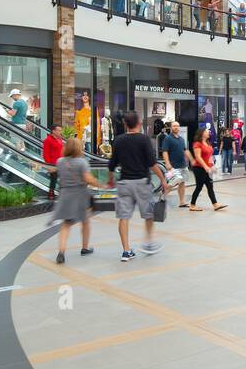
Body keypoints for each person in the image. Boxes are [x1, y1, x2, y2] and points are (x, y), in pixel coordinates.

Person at [106, 110, 170, 261]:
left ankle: (126, 251)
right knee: (148, 215)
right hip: (142, 183)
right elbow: (152, 164)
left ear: (125, 124)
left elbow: (112, 164)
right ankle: (148, 243)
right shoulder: (143, 139)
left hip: (124, 183)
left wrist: (110, 180)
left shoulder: (118, 140)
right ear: (139, 123)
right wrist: (163, 180)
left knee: (123, 217)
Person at [52, 136, 98, 264]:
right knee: (85, 221)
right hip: (80, 194)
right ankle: (85, 247)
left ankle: (61, 252)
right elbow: (88, 179)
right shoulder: (82, 162)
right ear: (79, 148)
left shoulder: (60, 161)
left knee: (66, 223)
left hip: (65, 194)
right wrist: (100, 184)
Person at [189, 129, 226, 212]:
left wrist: (212, 165)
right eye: (206, 131)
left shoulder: (208, 143)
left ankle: (215, 204)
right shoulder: (197, 144)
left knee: (210, 186)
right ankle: (192, 205)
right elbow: (198, 157)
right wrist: (205, 166)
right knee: (199, 187)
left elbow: (210, 156)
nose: (208, 132)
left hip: (207, 168)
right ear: (201, 133)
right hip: (199, 168)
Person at [160, 120, 193, 208]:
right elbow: (165, 151)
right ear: (171, 128)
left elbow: (185, 150)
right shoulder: (167, 138)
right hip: (173, 166)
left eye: (177, 126)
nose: (176, 127)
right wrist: (167, 163)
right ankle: (162, 196)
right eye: (174, 126)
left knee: (182, 183)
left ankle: (182, 202)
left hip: (183, 165)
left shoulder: (181, 139)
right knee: (172, 183)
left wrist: (192, 160)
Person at [42, 123, 64, 201]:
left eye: (61, 130)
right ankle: (51, 193)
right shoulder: (47, 140)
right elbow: (45, 154)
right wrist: (49, 166)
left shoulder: (60, 139)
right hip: (53, 164)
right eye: (58, 130)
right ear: (53, 131)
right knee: (53, 179)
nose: (60, 132)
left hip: (61, 163)